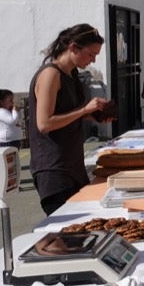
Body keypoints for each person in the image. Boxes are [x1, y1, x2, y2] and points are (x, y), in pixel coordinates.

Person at [29, 24, 112, 215]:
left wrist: (95, 114)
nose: (93, 60)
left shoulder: (72, 74)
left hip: (73, 166)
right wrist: (84, 110)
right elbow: (44, 123)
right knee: (68, 233)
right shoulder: (51, 74)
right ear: (74, 47)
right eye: (91, 54)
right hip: (54, 170)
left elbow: (67, 113)